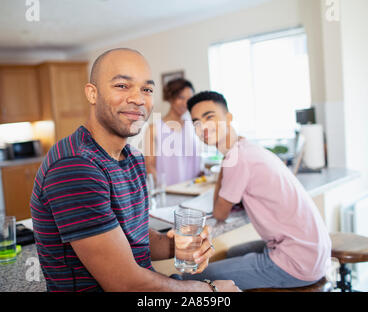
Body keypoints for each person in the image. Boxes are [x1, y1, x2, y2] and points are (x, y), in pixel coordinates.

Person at [30, 49, 240, 292]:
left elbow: (133, 234)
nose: (138, 99)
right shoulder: (75, 165)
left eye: (147, 89)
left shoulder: (132, 158)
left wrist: (178, 246)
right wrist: (210, 291)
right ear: (92, 93)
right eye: (122, 85)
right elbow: (125, 284)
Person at [183, 90, 331, 290]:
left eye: (210, 117)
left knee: (192, 276)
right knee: (233, 252)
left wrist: (225, 163)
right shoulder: (246, 148)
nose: (203, 127)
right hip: (313, 252)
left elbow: (219, 213)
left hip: (297, 262)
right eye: (196, 123)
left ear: (228, 118)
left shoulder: (237, 158)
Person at [144, 78, 202, 186]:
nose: (186, 103)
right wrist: (162, 189)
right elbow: (149, 165)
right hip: (169, 193)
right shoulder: (153, 129)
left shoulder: (194, 125)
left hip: (194, 190)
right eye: (181, 97)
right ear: (170, 98)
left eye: (189, 99)